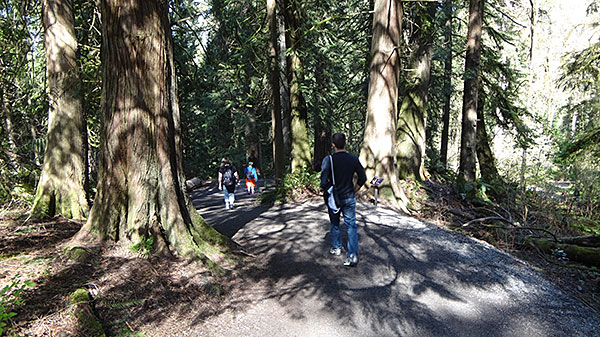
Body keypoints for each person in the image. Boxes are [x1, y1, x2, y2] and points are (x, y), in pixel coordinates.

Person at [320, 133, 366, 267]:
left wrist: (328, 189)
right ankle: (353, 256)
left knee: (334, 223)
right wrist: (355, 189)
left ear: (333, 145)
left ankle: (337, 248)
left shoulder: (328, 160)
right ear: (345, 144)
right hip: (349, 196)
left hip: (334, 198)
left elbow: (323, 182)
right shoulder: (353, 158)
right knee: (351, 225)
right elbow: (362, 177)